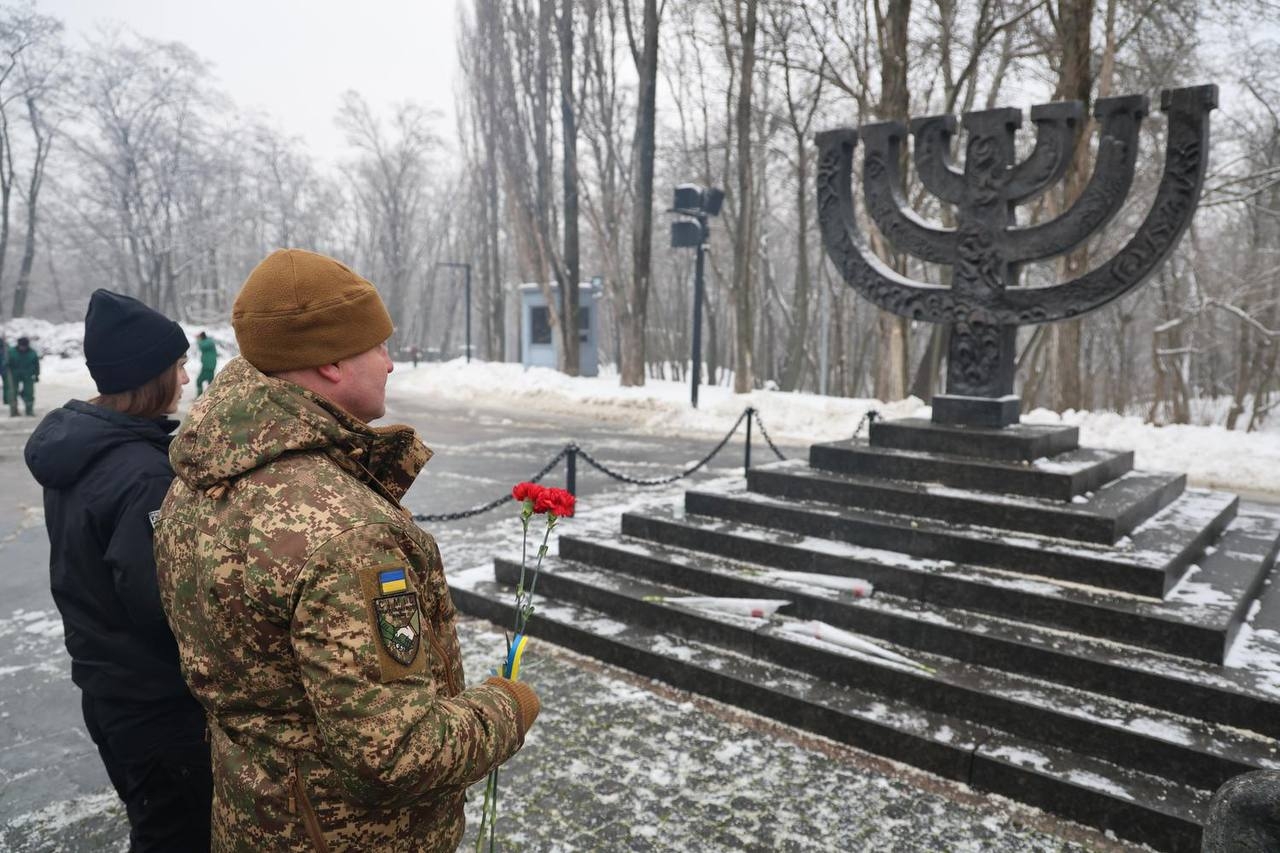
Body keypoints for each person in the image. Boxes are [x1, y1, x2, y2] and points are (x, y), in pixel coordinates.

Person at [154, 248, 539, 852]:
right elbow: (400, 752)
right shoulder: (347, 535)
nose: (391, 364)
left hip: (253, 820)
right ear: (331, 361)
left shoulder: (200, 477)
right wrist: (509, 705)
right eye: (378, 346)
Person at [23, 289, 212, 852]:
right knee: (180, 837)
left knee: (156, 828)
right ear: (147, 375)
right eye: (177, 366)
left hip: (109, 689)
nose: (184, 379)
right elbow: (160, 604)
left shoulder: (85, 451)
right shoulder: (140, 475)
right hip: (157, 704)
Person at [8, 335, 39, 416]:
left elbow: (36, 364)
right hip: (14, 375)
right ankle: (13, 411)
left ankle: (29, 410)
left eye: (25, 346)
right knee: (12, 392)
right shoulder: (11, 352)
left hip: (28, 374)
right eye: (22, 346)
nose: (23, 348)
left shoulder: (32, 353)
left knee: (29, 393)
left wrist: (36, 375)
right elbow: (6, 363)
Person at [195, 331, 217, 396]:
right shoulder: (209, 341)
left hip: (208, 366)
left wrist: (198, 340)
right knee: (210, 383)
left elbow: (201, 346)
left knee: (199, 381)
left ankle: (200, 397)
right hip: (209, 365)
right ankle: (210, 397)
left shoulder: (208, 343)